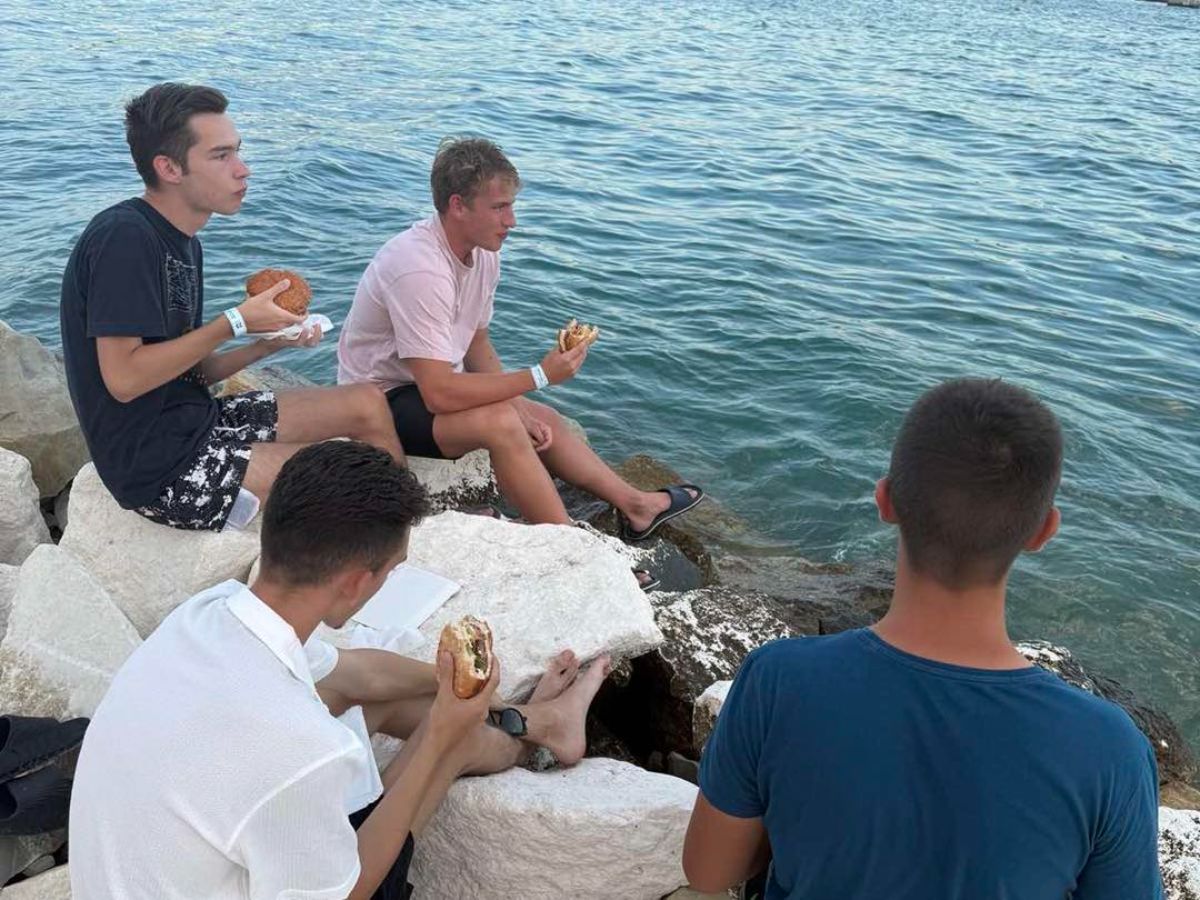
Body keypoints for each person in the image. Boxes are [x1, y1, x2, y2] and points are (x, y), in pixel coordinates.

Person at [683, 378, 1163, 899]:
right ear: (1043, 531)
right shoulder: (1109, 749)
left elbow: (709, 872)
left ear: (886, 499)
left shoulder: (778, 679)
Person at [68, 440, 612, 899]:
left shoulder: (208, 615)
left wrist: (459, 685)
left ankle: (540, 723)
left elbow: (358, 677)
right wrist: (444, 733)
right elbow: (351, 892)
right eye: (391, 571)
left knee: (380, 702)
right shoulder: (300, 748)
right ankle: (528, 740)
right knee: (451, 744)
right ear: (355, 582)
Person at [59, 82, 405, 532]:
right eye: (221, 156)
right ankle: (391, 540)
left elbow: (190, 373)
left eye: (237, 152)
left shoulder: (185, 244)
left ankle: (401, 528)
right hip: (161, 467)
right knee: (354, 473)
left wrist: (267, 344)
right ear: (169, 167)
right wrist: (235, 321)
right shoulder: (124, 238)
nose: (243, 170)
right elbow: (124, 380)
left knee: (366, 401)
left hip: (199, 421)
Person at [337, 137, 703, 535]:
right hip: (378, 402)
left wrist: (520, 405)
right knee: (501, 423)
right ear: (457, 205)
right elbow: (438, 394)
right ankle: (570, 546)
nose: (511, 221)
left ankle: (637, 507)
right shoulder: (419, 268)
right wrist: (540, 376)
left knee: (542, 419)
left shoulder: (483, 254)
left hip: (422, 389)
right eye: (499, 207)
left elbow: (476, 343)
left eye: (511, 206)